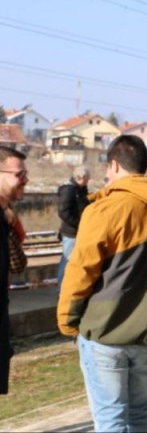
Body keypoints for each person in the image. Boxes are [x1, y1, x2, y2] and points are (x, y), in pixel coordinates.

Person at [58, 134, 147, 433]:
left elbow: (80, 272)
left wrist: (68, 321)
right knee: (142, 411)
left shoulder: (104, 209)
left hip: (105, 331)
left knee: (111, 417)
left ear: (115, 165)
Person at [0, 147, 28, 396]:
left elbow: (18, 265)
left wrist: (10, 224)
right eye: (19, 174)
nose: (25, 180)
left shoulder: (6, 217)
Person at [56, 165, 90, 288]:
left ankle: (66, 287)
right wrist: (78, 223)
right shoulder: (69, 190)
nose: (88, 181)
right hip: (71, 232)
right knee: (67, 261)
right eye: (87, 178)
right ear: (81, 177)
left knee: (72, 260)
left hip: (77, 231)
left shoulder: (80, 189)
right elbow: (64, 212)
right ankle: (61, 288)